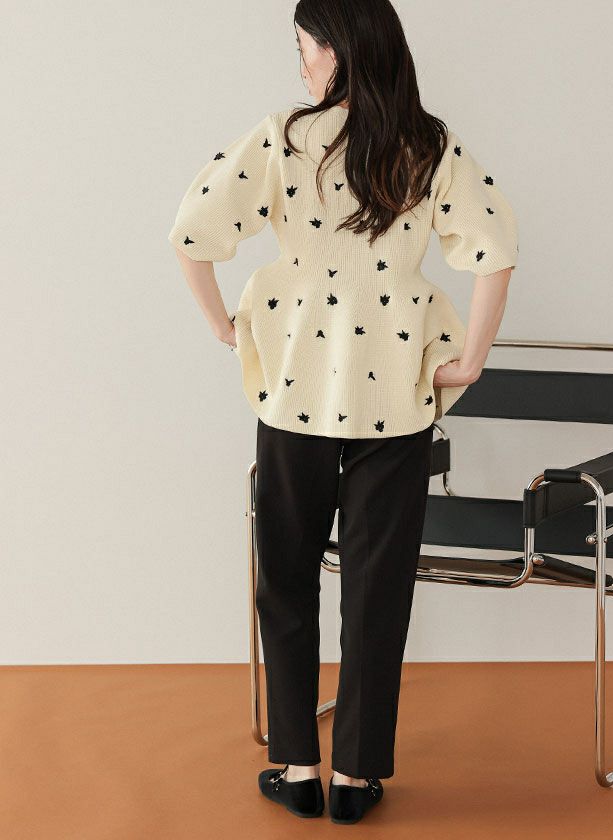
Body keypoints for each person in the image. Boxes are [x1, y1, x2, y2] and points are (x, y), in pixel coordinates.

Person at [168, 0, 518, 825]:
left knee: (286, 580)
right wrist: (471, 359)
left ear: (335, 50)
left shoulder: (285, 136)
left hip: (295, 390)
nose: (301, 67)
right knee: (377, 589)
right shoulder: (428, 142)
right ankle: (357, 778)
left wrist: (223, 326)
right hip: (396, 396)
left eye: (304, 48)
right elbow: (496, 248)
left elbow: (190, 231)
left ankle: (297, 766)